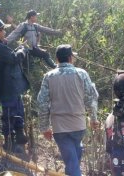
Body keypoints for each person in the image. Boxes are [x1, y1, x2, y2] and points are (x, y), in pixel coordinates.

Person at [37, 44, 99, 176]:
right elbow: (91, 99)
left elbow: (42, 103)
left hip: (60, 129)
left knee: (72, 161)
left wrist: (45, 127)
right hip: (79, 126)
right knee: (73, 160)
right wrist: (94, 119)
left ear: (57, 59)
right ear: (71, 58)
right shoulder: (82, 74)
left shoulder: (49, 76)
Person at [0, 19, 30, 152]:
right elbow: (14, 58)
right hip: (6, 87)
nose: (5, 32)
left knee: (18, 109)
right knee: (9, 113)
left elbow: (9, 57)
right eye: (3, 29)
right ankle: (8, 141)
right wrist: (22, 49)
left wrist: (18, 49)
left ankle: (19, 135)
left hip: (10, 86)